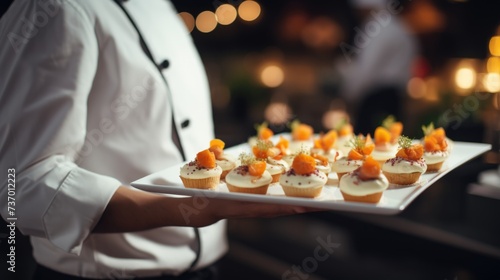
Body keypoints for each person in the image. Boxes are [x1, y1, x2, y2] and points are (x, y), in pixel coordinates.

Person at [0, 1, 312, 279]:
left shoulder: (161, 7)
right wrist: (187, 209)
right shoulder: (52, 9)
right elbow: (20, 184)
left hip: (210, 266)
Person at [335, 0, 418, 134]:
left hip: (376, 99)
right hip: (395, 99)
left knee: (368, 145)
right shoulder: (400, 27)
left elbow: (366, 71)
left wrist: (349, 94)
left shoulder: (378, 29)